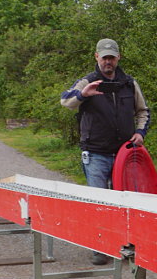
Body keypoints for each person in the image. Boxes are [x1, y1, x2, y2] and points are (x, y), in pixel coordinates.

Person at [60, 38, 150, 264]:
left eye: (112, 57)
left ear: (118, 58)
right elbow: (65, 101)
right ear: (96, 57)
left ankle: (127, 244)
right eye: (104, 57)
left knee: (126, 200)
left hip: (124, 153)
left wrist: (140, 132)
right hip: (96, 152)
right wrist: (84, 95)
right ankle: (100, 246)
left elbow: (143, 111)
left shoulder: (130, 83)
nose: (108, 61)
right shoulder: (88, 81)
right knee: (99, 203)